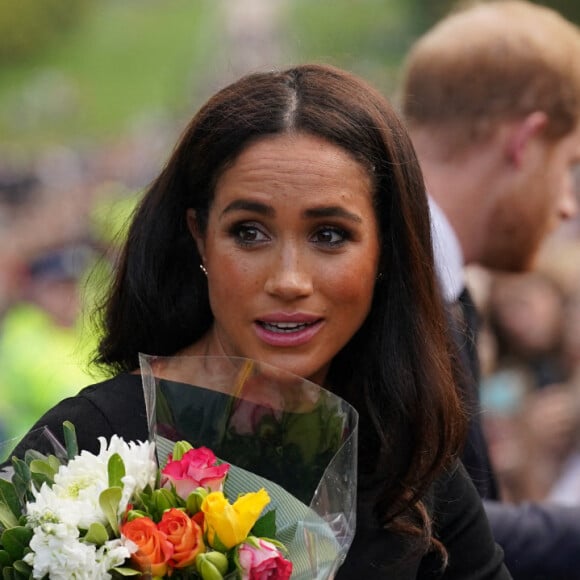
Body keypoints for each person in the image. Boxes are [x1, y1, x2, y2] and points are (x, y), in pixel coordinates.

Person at [6, 64, 511, 578]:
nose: (289, 280)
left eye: (330, 235)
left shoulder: (408, 461)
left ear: (385, 250)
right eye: (249, 232)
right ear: (199, 236)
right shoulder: (88, 449)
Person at [399, 1, 580, 578]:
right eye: (569, 164)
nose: (566, 205)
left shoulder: (433, 283)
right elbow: (416, 525)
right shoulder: (389, 289)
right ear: (525, 142)